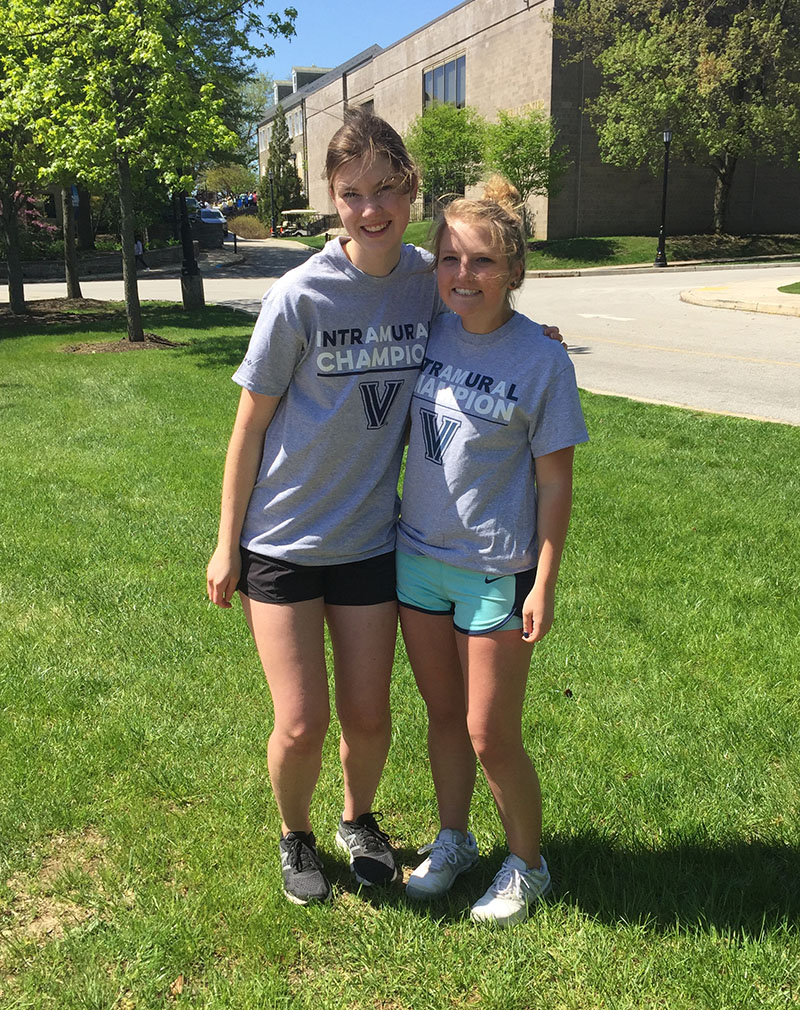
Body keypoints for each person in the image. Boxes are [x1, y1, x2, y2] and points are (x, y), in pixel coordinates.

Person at [207, 109, 563, 908]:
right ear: (332, 200)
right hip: (282, 540)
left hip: (373, 541)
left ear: (410, 187)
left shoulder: (425, 276)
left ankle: (356, 820)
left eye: (384, 190)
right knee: (302, 721)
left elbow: (479, 310)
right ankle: (295, 835)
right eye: (351, 194)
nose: (370, 209)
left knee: (369, 718)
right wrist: (227, 544)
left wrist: (529, 334)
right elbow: (249, 426)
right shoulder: (299, 296)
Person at [398, 177, 588, 926]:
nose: (463, 274)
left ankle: (528, 865)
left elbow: (555, 484)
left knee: (488, 732)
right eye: (449, 258)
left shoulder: (542, 361)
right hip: (417, 560)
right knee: (443, 714)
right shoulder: (430, 327)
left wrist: (544, 582)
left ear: (513, 269)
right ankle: (453, 839)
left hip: (496, 570)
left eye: (481, 261)